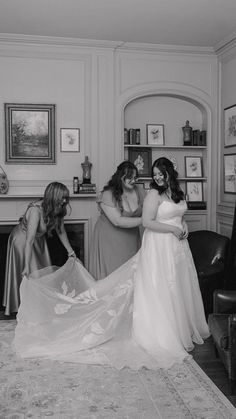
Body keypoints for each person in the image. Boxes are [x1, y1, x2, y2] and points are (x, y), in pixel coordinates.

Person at [13, 158, 209, 370]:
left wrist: (181, 224)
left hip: (161, 244)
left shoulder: (151, 192)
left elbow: (171, 214)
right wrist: (163, 227)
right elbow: (129, 220)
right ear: (120, 177)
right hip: (117, 237)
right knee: (125, 282)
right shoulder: (129, 193)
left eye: (139, 176)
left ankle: (173, 326)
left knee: (163, 285)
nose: (140, 179)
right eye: (153, 174)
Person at [3, 182, 76, 316]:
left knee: (44, 275)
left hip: (38, 240)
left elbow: (61, 231)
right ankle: (27, 310)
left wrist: (71, 252)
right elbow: (29, 240)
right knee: (32, 275)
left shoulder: (58, 209)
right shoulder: (35, 210)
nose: (65, 201)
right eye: (62, 197)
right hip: (23, 240)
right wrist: (26, 266)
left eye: (66, 197)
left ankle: (40, 308)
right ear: (53, 197)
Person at [89, 161, 146, 280]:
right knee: (113, 277)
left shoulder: (140, 191)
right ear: (120, 177)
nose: (133, 180)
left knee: (131, 275)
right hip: (109, 240)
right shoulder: (108, 194)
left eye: (135, 177)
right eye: (129, 177)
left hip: (131, 239)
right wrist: (145, 220)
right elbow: (117, 221)